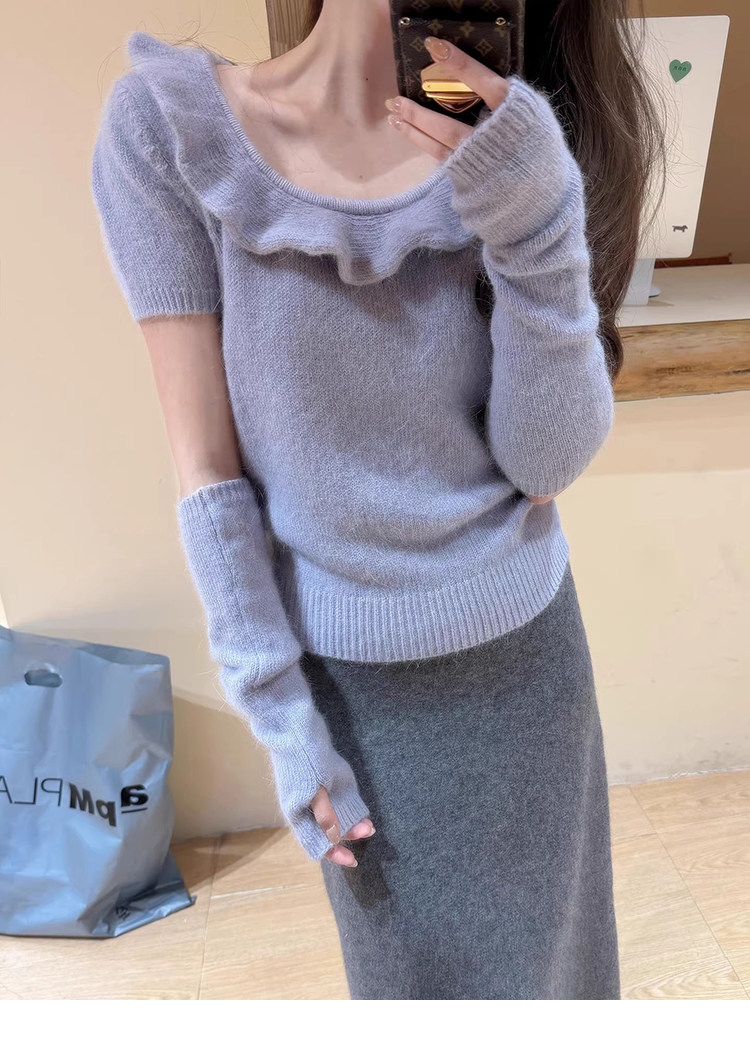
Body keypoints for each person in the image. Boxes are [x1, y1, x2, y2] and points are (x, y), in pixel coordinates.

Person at [91, 0, 663, 1000]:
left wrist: (538, 225)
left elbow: (544, 460)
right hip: (349, 697)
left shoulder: (515, 134)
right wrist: (277, 709)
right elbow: (207, 468)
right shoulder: (167, 132)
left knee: (560, 987)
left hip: (526, 671)